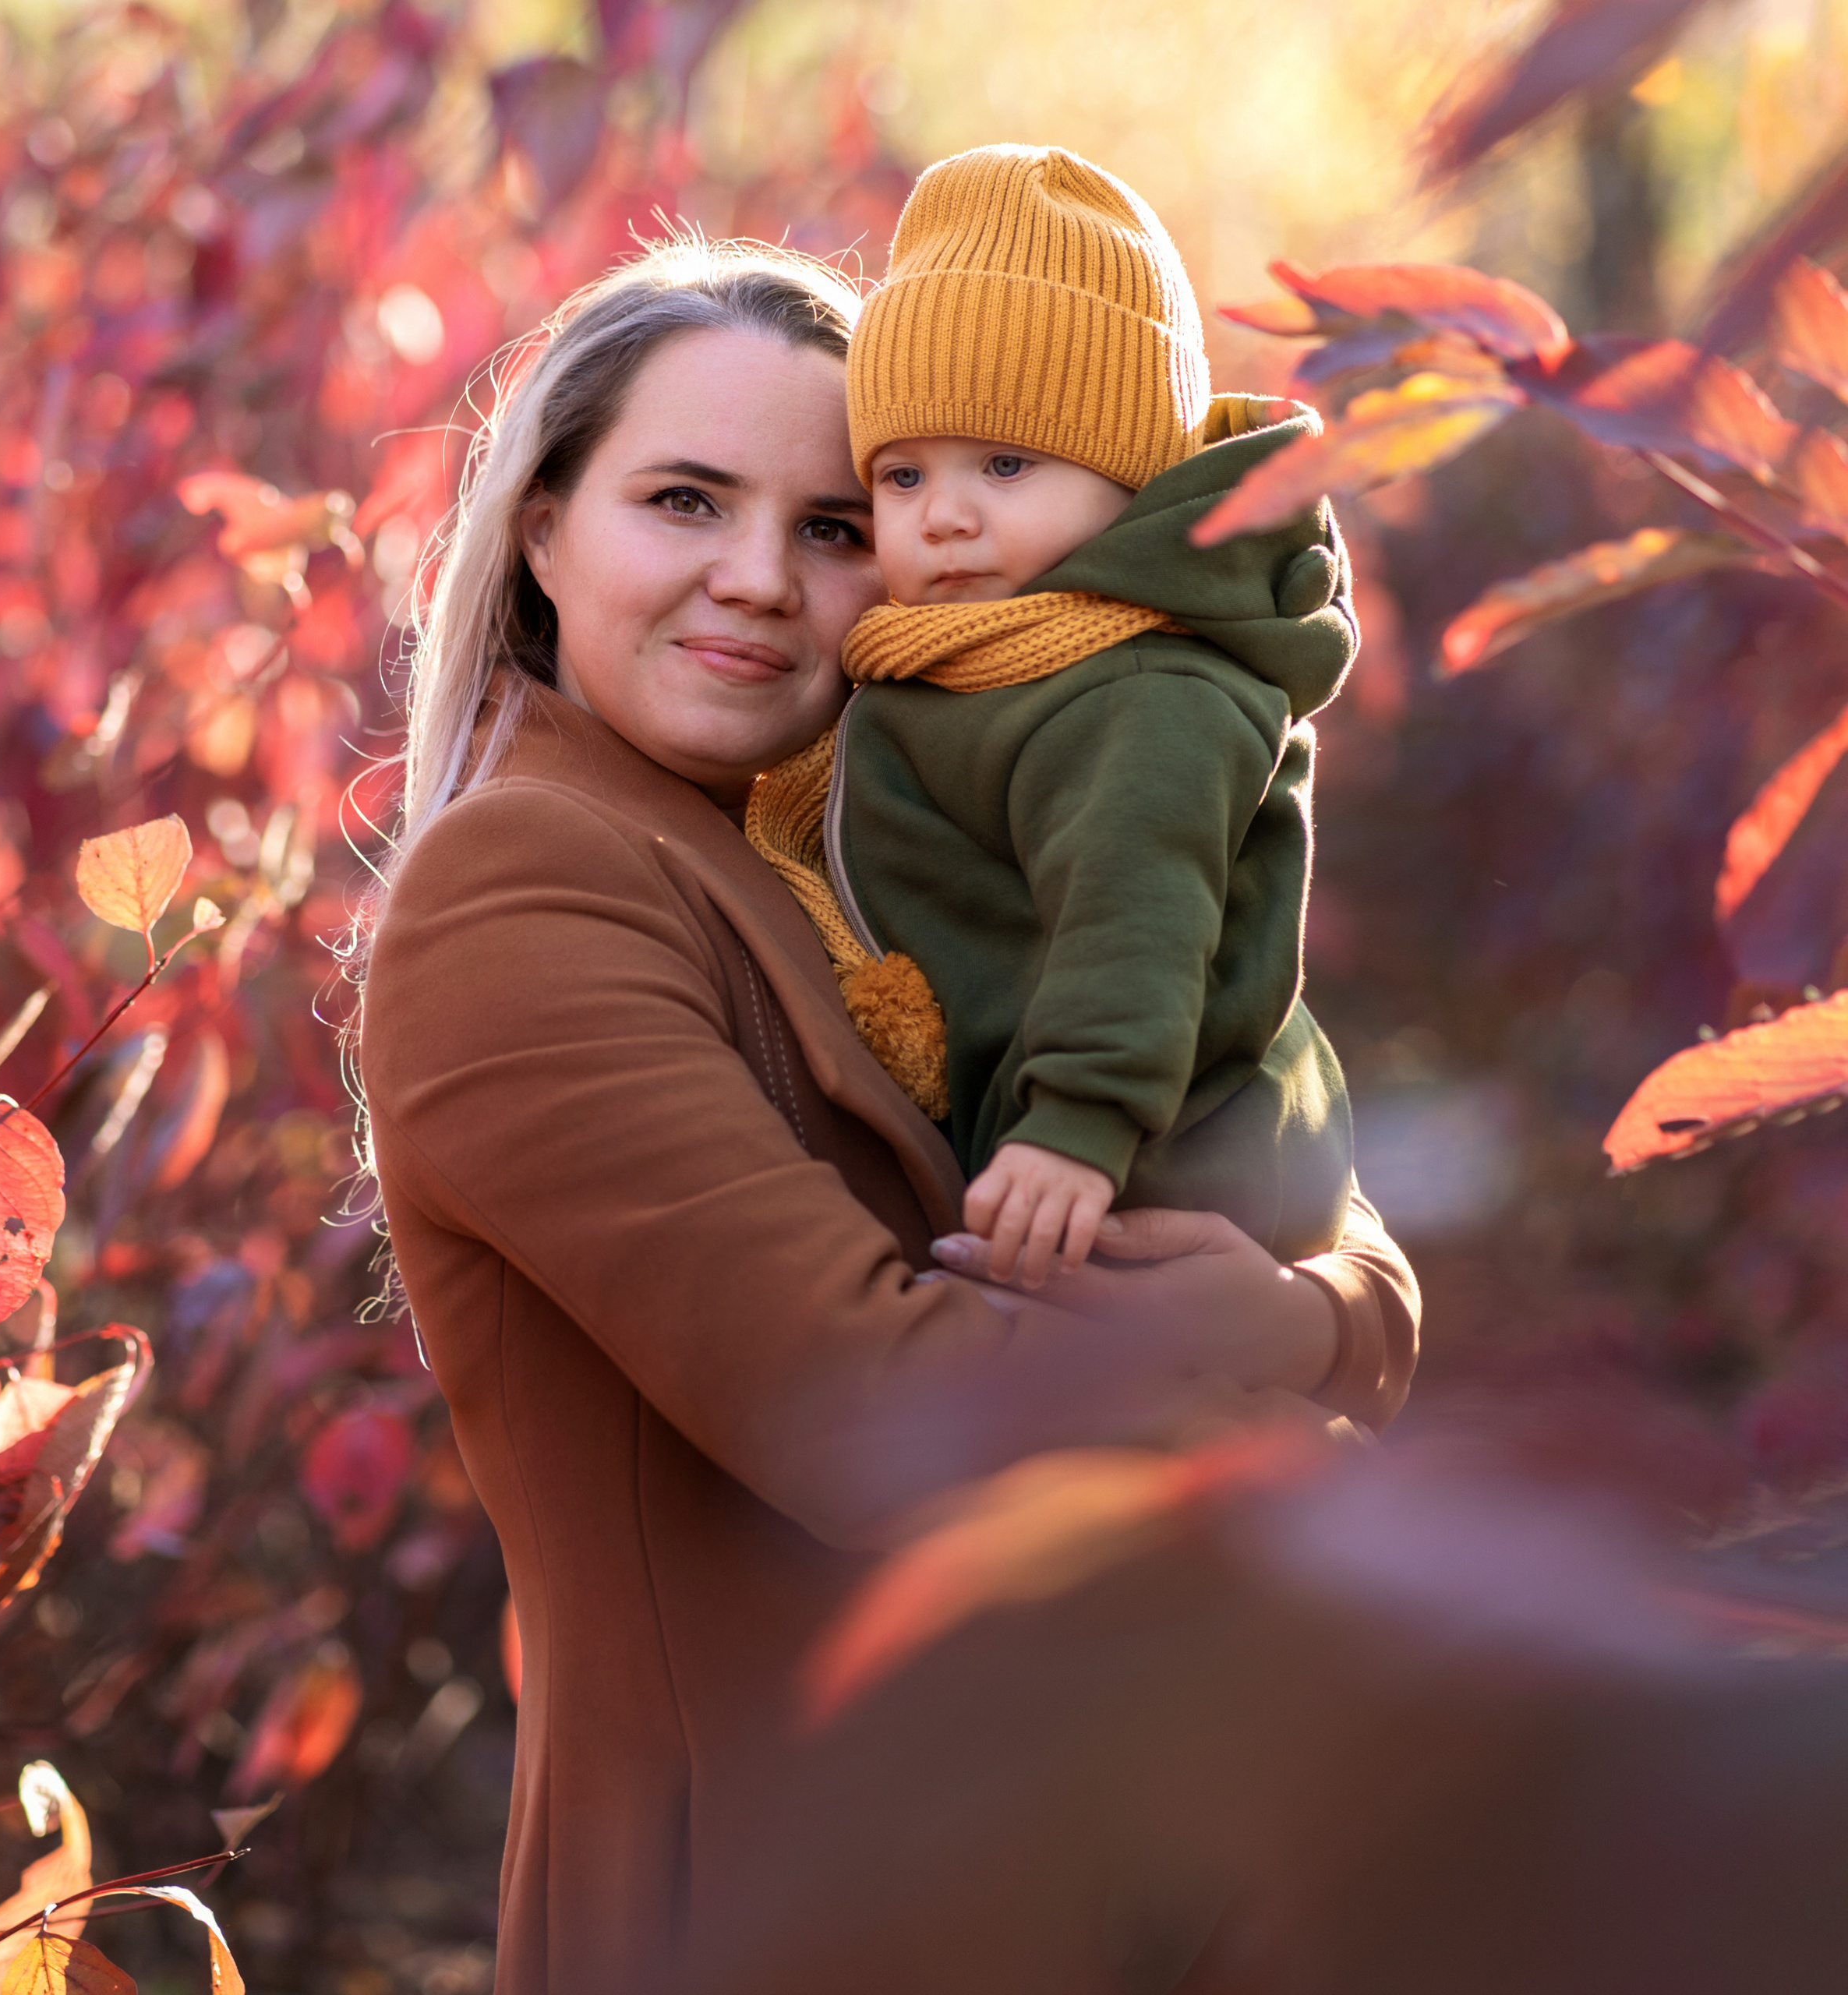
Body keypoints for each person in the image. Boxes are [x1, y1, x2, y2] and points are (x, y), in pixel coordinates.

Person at [356, 233, 1419, 1995]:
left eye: (833, 524)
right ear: (542, 530)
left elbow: (1260, 1120)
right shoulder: (526, 885)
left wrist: (1304, 1312)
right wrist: (1389, 1499)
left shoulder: (868, 842)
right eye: (683, 501)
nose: (759, 580)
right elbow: (874, 1406)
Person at [749, 145, 1354, 1291]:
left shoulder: (1141, 690)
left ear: (1131, 476)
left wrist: (1078, 1120)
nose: (946, 518)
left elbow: (1140, 911)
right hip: (1078, 1141)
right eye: (903, 477)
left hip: (1160, 1153)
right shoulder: (985, 658)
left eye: (1007, 465)